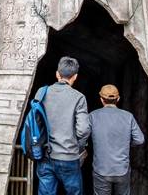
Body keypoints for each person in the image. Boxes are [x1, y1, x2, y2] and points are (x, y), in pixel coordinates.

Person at [37, 56, 91, 195]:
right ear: (75, 77)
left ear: (57, 74)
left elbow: (36, 123)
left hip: (45, 155)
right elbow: (83, 130)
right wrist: (78, 147)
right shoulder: (79, 97)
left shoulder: (42, 93)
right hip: (69, 157)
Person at [88, 84, 145, 195]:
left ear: (101, 99)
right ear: (118, 99)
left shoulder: (93, 116)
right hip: (122, 170)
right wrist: (127, 143)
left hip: (101, 170)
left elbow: (83, 135)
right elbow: (140, 140)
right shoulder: (128, 116)